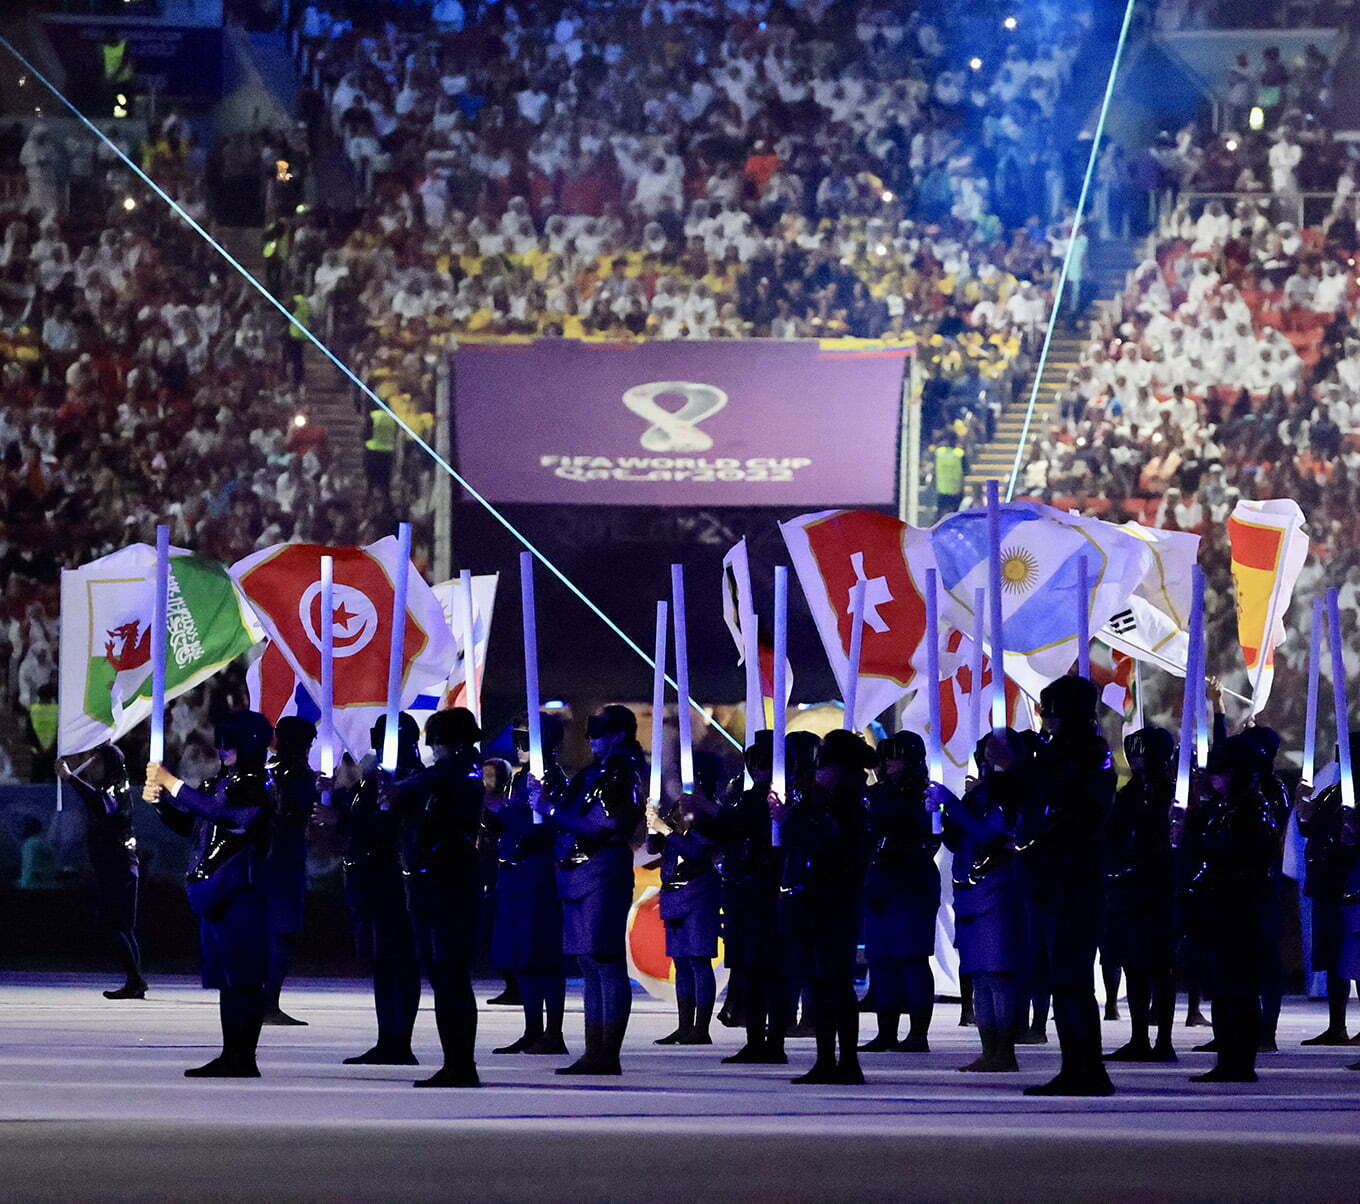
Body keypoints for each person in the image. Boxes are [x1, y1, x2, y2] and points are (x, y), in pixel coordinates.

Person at [143, 711, 275, 1078]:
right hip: (215, 890)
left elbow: (229, 816)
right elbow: (190, 823)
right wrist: (160, 803)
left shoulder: (258, 783)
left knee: (244, 978)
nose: (224, 750)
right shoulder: (221, 781)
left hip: (241, 888)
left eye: (231, 742)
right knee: (227, 980)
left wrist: (172, 783)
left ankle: (243, 1057)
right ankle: (231, 1054)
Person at [529, 704, 646, 1076]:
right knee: (588, 962)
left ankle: (606, 1052)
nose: (593, 738)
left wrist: (547, 809)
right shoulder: (595, 773)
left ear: (620, 734)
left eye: (601, 732)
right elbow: (574, 810)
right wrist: (548, 798)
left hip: (601, 871)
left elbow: (600, 827)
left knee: (605, 961)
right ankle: (594, 1049)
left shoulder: (621, 774)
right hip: (577, 872)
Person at [1019, 676, 1117, 1096]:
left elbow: (1057, 787)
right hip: (1059, 874)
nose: (1047, 719)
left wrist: (1024, 762)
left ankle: (1087, 1068)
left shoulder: (1089, 752)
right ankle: (1074, 1065)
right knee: (1064, 979)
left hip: (1076, 876)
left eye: (1052, 711)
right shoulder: (1064, 752)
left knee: (1073, 979)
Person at [379, 708, 485, 1088]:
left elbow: (428, 783)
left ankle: (460, 1063)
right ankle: (455, 1061)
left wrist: (396, 788)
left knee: (450, 975)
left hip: (449, 884)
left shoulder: (460, 772)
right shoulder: (449, 775)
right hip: (434, 882)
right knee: (444, 976)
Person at [1180, 734, 1281, 1083]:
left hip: (1240, 907)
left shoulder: (1253, 809)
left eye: (1220, 771)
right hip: (1222, 906)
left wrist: (1195, 838)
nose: (1213, 778)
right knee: (1224, 989)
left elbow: (1235, 854)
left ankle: (1239, 1060)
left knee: (1238, 988)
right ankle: (1229, 1057)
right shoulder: (1225, 808)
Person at [775, 729, 871, 1085]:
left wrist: (791, 822)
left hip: (836, 901)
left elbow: (831, 846)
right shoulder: (823, 801)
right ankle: (825, 1059)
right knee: (821, 983)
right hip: (815, 900)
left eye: (826, 766)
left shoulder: (850, 805)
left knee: (835, 983)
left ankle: (846, 1061)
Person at [335, 714, 422, 1066]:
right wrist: (336, 798)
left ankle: (400, 1039)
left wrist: (342, 819)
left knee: (399, 961)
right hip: (371, 877)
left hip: (396, 879)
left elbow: (386, 827)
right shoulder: (375, 778)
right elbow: (362, 816)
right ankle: (388, 1036)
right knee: (383, 962)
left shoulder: (412, 780)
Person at [943, 730, 1032, 1074]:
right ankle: (988, 1049)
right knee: (979, 973)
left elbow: (989, 834)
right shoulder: (980, 793)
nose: (990, 754)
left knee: (998, 971)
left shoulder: (1015, 791)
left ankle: (1004, 1050)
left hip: (1000, 885)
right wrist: (948, 814)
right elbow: (957, 839)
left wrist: (951, 803)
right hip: (970, 886)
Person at [702, 731, 791, 1065]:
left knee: (767, 970)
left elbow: (745, 825)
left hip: (766, 891)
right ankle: (756, 1038)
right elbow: (728, 832)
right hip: (744, 888)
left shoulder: (780, 797)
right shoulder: (748, 796)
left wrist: (711, 811)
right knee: (748, 970)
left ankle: (773, 1039)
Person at [485, 715, 569, 1055]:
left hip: (538, 871)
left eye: (526, 739)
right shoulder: (518, 780)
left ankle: (554, 1031)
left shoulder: (553, 779)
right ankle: (532, 1028)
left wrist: (502, 812)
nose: (519, 747)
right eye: (517, 739)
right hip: (513, 870)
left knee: (542, 953)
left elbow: (546, 825)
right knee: (521, 954)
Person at [859, 732, 941, 1054]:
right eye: (886, 758)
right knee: (881, 960)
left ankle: (918, 1034)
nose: (889, 765)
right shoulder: (874, 793)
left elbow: (924, 829)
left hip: (912, 880)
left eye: (895, 757)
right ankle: (886, 1032)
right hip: (879, 878)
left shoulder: (925, 794)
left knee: (912, 959)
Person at [1102, 726, 1178, 1063]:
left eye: (1140, 752)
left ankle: (1163, 1039)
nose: (1135, 759)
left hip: (1158, 889)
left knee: (1160, 967)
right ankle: (1139, 1037)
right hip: (1129, 888)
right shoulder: (1130, 791)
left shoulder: (1169, 793)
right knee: (1134, 966)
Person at [60, 745, 147, 1000]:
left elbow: (101, 804)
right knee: (125, 926)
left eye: (95, 761)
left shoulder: (113, 789)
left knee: (115, 924)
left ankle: (135, 980)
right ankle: (136, 980)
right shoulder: (121, 787)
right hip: (122, 863)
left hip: (115, 864)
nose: (91, 765)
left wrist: (70, 778)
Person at [646, 776, 721, 1047]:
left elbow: (696, 851)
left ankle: (701, 1028)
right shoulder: (677, 811)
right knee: (681, 961)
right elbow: (653, 847)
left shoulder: (709, 814)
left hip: (698, 890)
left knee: (698, 960)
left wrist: (666, 830)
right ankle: (684, 1025)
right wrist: (652, 824)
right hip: (673, 892)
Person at [1297, 740, 1359, 1046]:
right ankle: (1337, 1025)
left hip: (1348, 885)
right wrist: (1303, 811)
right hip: (1326, 882)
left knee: (1353, 958)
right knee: (1335, 958)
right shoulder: (1332, 793)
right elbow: (1311, 829)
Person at [262, 717, 318, 1026]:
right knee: (282, 933)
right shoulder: (297, 774)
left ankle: (261, 998)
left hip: (265, 857)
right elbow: (296, 812)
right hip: (285, 858)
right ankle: (269, 1002)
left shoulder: (264, 771)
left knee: (269, 931)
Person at [935, 431, 966, 516]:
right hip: (956, 490)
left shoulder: (939, 452)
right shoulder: (959, 454)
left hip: (941, 489)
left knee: (940, 516)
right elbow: (966, 471)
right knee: (954, 515)